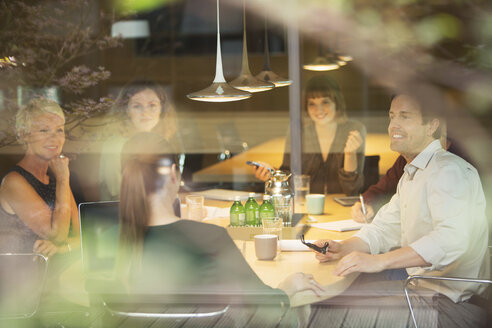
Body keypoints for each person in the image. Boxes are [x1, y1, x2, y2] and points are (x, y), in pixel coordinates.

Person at [313, 94, 489, 327]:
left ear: (432, 125)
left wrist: (381, 261)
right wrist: (343, 248)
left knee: (325, 316)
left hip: (449, 307)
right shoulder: (413, 173)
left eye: (405, 117)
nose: (393, 125)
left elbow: (452, 240)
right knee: (326, 302)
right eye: (392, 116)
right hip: (421, 290)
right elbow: (383, 229)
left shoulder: (449, 170)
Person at [114, 132, 324, 309]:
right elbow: (265, 305)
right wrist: (289, 285)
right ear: (172, 174)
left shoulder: (113, 240)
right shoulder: (209, 239)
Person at [254, 75, 365, 195]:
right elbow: (290, 177)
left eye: (325, 102)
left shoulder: (353, 130)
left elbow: (352, 190)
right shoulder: (297, 130)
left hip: (341, 209)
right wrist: (271, 174)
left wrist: (350, 154)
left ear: (336, 102)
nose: (319, 109)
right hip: (305, 207)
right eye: (312, 104)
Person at [0, 98, 79, 257]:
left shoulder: (56, 177)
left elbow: (81, 236)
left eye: (59, 130)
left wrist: (62, 249)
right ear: (25, 135)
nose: (54, 138)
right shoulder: (13, 181)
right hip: (22, 277)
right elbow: (56, 235)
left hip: (57, 274)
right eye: (44, 130)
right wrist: (63, 180)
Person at [99, 80, 178, 201]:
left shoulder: (159, 142)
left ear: (162, 109)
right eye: (137, 106)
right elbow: (119, 195)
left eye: (152, 105)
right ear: (126, 111)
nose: (145, 112)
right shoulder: (114, 145)